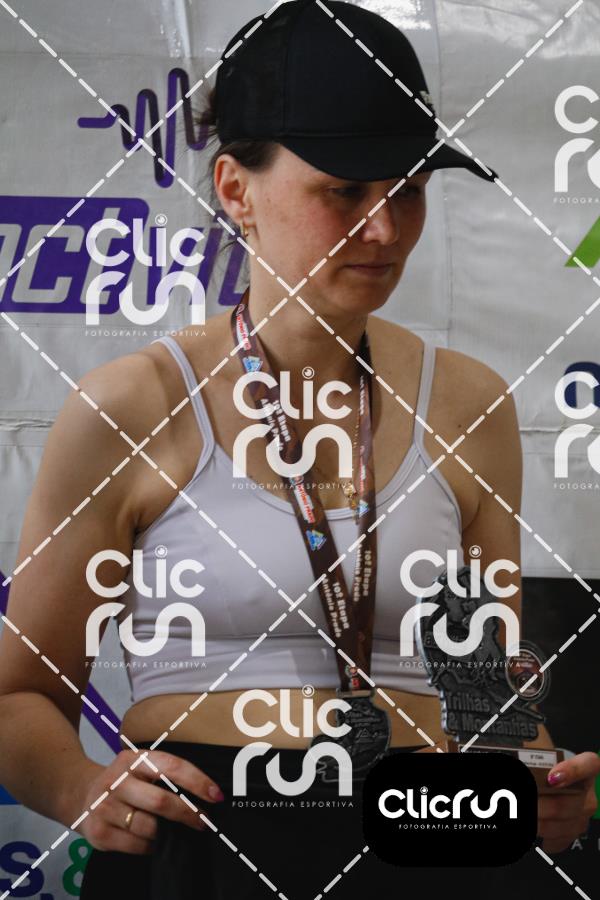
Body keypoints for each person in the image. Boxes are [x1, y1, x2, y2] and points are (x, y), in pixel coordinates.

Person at [0, 2, 597, 898]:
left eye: (408, 190)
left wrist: (540, 783)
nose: (386, 230)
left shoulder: (470, 402)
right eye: (345, 192)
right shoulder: (132, 405)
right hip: (210, 839)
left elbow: (484, 695)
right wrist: (82, 788)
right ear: (236, 189)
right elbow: (21, 697)